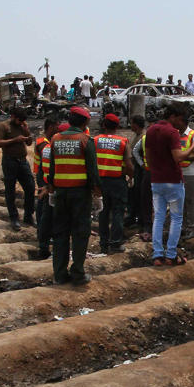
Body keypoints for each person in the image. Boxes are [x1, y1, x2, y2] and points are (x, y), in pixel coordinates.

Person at [47, 107, 101, 285]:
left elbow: (52, 169)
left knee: (60, 234)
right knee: (80, 233)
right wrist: (97, 195)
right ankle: (78, 272)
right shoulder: (85, 140)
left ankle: (60, 274)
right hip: (80, 194)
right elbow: (93, 172)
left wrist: (51, 190)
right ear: (85, 122)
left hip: (61, 193)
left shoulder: (55, 139)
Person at [146, 102, 194, 265]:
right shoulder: (172, 133)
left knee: (158, 217)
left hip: (156, 180)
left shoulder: (150, 130)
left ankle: (157, 254)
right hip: (173, 180)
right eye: (179, 119)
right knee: (177, 218)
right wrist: (193, 146)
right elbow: (178, 157)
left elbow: (148, 158)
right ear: (172, 116)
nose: (181, 123)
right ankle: (171, 254)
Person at [94, 113, 134, 253]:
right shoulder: (123, 141)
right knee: (118, 212)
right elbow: (129, 165)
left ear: (104, 125)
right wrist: (131, 176)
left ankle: (104, 244)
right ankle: (116, 243)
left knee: (103, 212)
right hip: (117, 182)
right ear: (117, 127)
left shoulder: (95, 140)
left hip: (100, 182)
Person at [0, 107, 36, 230]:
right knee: (10, 190)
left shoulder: (23, 125)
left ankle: (28, 216)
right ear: (12, 117)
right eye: (19, 121)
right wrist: (15, 140)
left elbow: (28, 143)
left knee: (30, 187)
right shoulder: (3, 126)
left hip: (22, 161)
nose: (20, 123)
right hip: (9, 161)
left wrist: (27, 133)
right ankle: (14, 218)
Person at [33, 118, 59, 259]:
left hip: (46, 179)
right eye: (57, 126)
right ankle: (44, 239)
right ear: (50, 127)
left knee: (45, 210)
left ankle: (43, 240)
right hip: (47, 181)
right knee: (46, 211)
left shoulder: (50, 144)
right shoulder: (44, 143)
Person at [130, 116, 152, 238]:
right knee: (138, 195)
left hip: (143, 170)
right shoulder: (140, 137)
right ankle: (139, 220)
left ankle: (143, 221)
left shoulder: (143, 137)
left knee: (143, 196)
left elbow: (134, 152)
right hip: (141, 169)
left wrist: (142, 165)